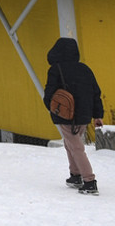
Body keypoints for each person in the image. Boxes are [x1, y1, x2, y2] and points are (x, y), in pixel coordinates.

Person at [43, 37, 104, 194]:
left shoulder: (56, 69)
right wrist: (98, 115)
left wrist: (51, 108)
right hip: (84, 114)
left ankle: (89, 181)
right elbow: (95, 93)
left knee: (76, 146)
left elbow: (49, 92)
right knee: (70, 143)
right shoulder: (85, 69)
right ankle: (75, 175)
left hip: (65, 113)